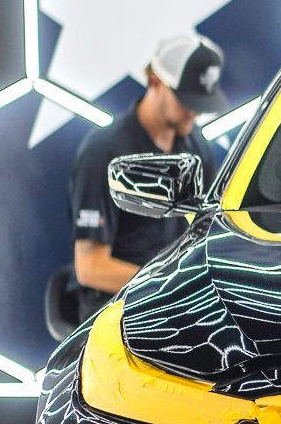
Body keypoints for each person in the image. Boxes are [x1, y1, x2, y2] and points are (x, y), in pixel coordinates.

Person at [69, 33, 227, 316]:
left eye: (201, 104)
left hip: (172, 307)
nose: (195, 114)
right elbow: (90, 267)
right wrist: (169, 286)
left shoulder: (195, 145)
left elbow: (208, 229)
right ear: (155, 82)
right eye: (187, 101)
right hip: (117, 314)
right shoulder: (103, 152)